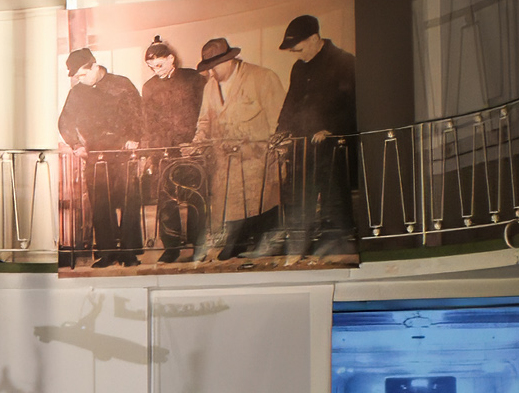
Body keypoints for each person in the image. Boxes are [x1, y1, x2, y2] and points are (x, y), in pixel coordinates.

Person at [190, 37, 286, 260]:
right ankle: (237, 243)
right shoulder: (210, 87)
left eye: (214, 67)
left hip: (258, 162)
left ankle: (264, 244)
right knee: (232, 208)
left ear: (229, 60)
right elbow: (204, 121)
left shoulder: (263, 78)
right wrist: (197, 142)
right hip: (225, 164)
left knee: (262, 205)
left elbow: (280, 121)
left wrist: (280, 157)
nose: (211, 73)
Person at [274, 14, 358, 256]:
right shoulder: (298, 68)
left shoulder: (345, 62)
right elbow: (290, 104)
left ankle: (341, 249)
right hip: (302, 149)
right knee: (300, 199)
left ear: (314, 38)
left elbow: (354, 105)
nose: (297, 55)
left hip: (332, 149)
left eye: (299, 49)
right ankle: (302, 248)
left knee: (334, 201)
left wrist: (332, 129)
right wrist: (281, 133)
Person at [58, 48, 144, 267]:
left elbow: (139, 115)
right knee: (100, 204)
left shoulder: (122, 84)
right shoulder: (77, 93)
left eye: (83, 75)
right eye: (77, 77)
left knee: (129, 201)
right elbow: (64, 122)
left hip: (123, 153)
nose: (81, 80)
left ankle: (129, 253)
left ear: (95, 66)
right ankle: (106, 253)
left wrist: (134, 138)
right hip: (95, 155)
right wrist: (76, 145)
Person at [140, 36, 207, 262]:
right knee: (166, 201)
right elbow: (148, 123)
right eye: (151, 67)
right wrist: (150, 153)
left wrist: (197, 142)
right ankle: (171, 247)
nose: (156, 71)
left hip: (191, 148)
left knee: (196, 198)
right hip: (164, 151)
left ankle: (199, 245)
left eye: (159, 65)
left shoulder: (193, 79)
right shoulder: (149, 88)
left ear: (171, 59)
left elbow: (205, 111)